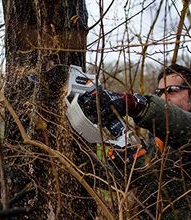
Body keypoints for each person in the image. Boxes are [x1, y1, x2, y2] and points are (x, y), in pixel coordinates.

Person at [77, 63, 191, 219]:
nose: (164, 97)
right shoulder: (155, 139)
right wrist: (121, 162)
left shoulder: (184, 128)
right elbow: (119, 183)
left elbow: (181, 125)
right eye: (159, 92)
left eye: (172, 90)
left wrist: (134, 103)